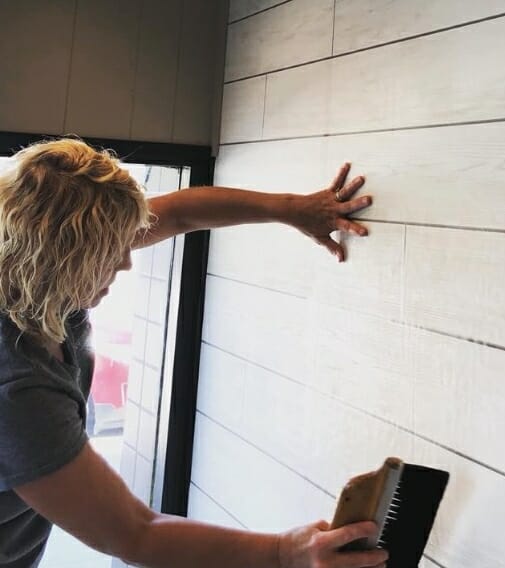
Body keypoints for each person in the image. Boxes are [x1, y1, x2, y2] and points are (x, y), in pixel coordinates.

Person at [0, 138, 387, 568]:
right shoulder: (18, 390)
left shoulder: (32, 272)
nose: (128, 263)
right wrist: (284, 554)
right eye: (113, 253)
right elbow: (135, 534)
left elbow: (180, 213)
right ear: (65, 258)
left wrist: (292, 209)